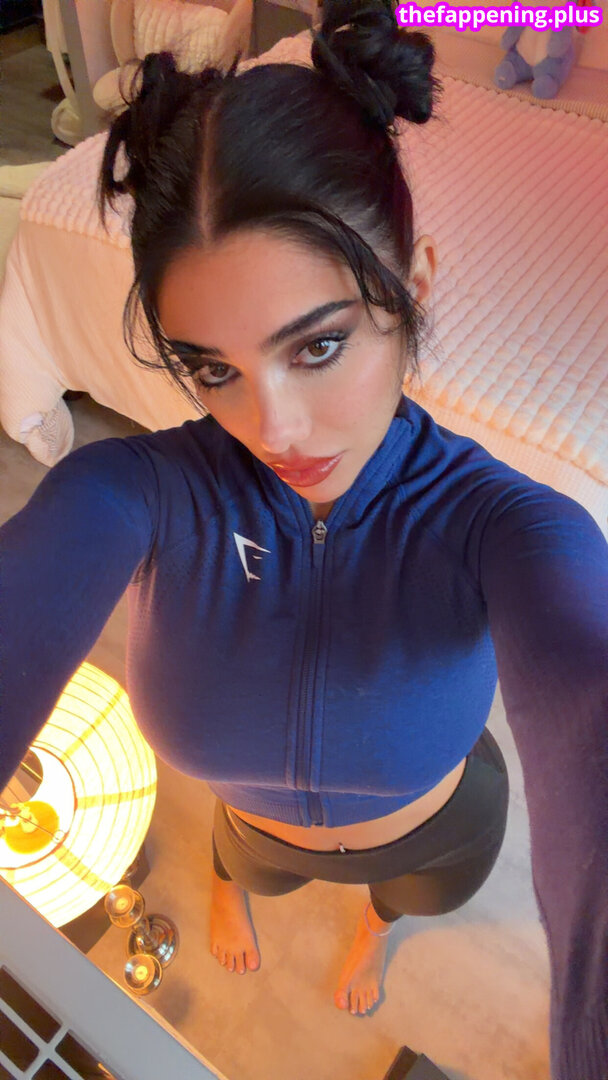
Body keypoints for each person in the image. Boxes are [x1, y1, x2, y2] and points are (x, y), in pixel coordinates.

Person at [1, 1, 606, 1075]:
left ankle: (373, 931)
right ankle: (238, 889)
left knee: (397, 902)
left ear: (412, 288)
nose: (272, 429)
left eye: (317, 346)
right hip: (253, 834)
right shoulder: (130, 493)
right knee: (249, 868)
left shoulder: (511, 525)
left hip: (434, 836)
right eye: (212, 369)